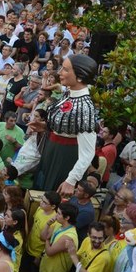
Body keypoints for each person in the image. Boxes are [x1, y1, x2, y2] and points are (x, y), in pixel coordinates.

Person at [38, 55, 98, 196]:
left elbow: (88, 152)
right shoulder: (69, 93)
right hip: (52, 151)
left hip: (65, 159)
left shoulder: (85, 106)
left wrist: (71, 180)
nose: (59, 73)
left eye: (65, 69)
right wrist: (44, 126)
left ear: (80, 77)